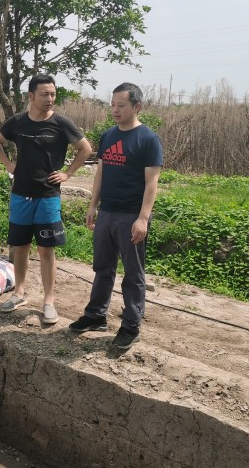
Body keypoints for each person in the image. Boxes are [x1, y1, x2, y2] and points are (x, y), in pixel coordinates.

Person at [0, 74, 92, 324]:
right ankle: (19, 293)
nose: (50, 99)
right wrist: (9, 164)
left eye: (53, 94)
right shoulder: (18, 122)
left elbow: (85, 149)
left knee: (46, 249)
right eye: (45, 94)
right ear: (31, 96)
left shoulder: (61, 123)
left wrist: (67, 173)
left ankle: (49, 301)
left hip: (47, 196)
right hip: (20, 195)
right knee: (20, 247)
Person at [69, 82, 163, 350]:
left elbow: (152, 183)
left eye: (121, 105)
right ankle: (96, 315)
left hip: (130, 215)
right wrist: (93, 205)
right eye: (112, 105)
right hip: (107, 212)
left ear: (137, 106)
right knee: (102, 267)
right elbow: (100, 172)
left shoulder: (148, 139)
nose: (115, 110)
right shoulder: (108, 136)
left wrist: (143, 218)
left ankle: (131, 325)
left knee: (133, 273)